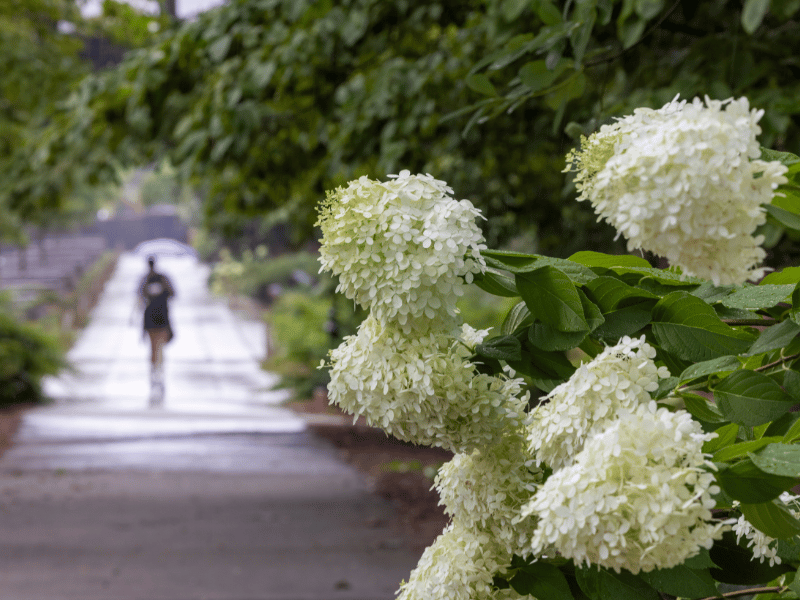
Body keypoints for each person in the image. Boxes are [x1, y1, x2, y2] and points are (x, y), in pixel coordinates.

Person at [138, 255, 175, 405]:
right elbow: (173, 294)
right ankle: (157, 369)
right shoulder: (162, 279)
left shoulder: (146, 280)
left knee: (154, 346)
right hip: (161, 317)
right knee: (158, 346)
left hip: (152, 318)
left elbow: (140, 297)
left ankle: (155, 369)